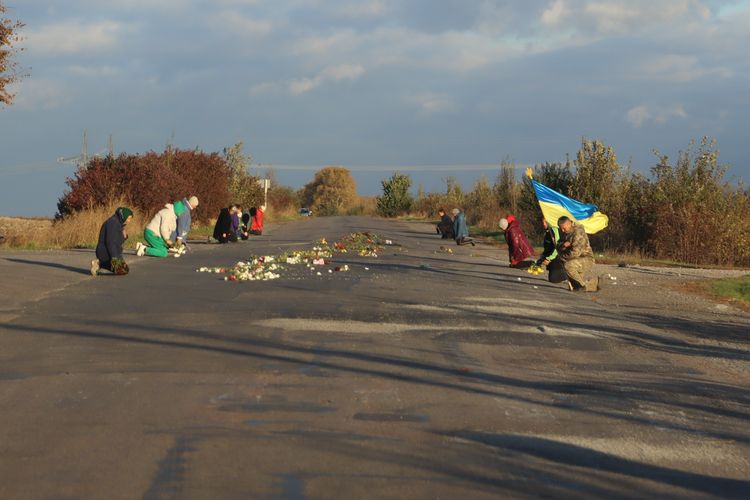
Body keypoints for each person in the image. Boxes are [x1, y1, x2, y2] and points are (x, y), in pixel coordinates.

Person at [557, 216, 599, 292]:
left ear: (569, 224)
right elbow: (558, 244)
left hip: (586, 258)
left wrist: (563, 257)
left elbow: (575, 253)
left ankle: (583, 286)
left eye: (564, 228)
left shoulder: (578, 233)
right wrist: (563, 245)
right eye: (561, 228)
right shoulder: (565, 231)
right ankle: (589, 285)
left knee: (568, 265)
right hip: (575, 259)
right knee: (573, 285)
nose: (562, 231)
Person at [91, 207, 133, 276]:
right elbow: (110, 243)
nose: (129, 221)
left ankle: (100, 264)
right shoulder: (113, 223)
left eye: (130, 219)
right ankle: (100, 263)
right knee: (123, 270)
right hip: (104, 252)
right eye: (128, 218)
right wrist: (115, 258)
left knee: (125, 269)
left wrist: (124, 237)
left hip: (111, 252)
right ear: (123, 216)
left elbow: (117, 241)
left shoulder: (118, 223)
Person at [536, 217, 566, 283]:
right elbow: (548, 247)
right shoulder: (547, 232)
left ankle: (569, 275)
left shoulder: (554, 230)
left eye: (545, 222)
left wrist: (549, 259)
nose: (543, 224)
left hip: (558, 256)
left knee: (554, 279)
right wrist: (542, 257)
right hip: (551, 256)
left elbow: (557, 247)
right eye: (543, 222)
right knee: (552, 279)